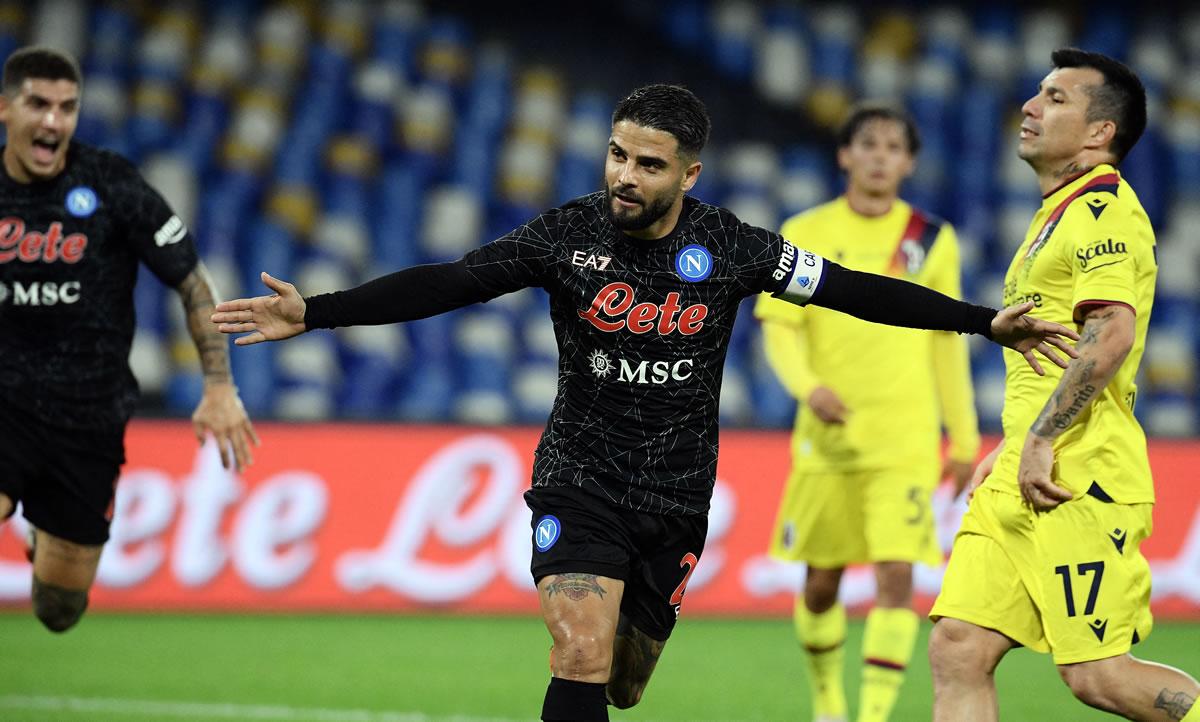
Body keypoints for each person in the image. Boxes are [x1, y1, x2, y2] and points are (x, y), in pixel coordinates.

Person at [213, 84, 1076, 722]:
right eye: (618, 156)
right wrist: (319, 313)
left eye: (648, 164)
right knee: (579, 654)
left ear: (688, 173)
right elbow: (453, 281)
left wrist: (979, 324)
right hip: (579, 476)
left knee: (623, 683)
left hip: (675, 496)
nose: (625, 176)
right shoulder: (568, 234)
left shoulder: (733, 246)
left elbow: (855, 289)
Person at [928, 49, 1200, 722]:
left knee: (1097, 677)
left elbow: (1109, 335)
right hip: (1022, 466)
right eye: (1036, 94)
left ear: (1098, 133)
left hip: (1076, 474)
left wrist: (1044, 438)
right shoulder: (1054, 214)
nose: (1029, 105)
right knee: (958, 646)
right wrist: (1014, 441)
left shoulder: (1103, 213)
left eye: (1054, 98)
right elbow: (1049, 357)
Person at [0, 47, 257, 633]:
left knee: (59, 609)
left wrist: (218, 385)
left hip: (87, 415)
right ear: (5, 109)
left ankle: (49, 537)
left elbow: (192, 283)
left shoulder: (112, 185)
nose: (52, 121)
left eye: (67, 108)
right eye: (38, 104)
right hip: (4, 402)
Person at [755, 103, 978, 722]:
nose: (880, 156)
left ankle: (872, 716)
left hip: (904, 437)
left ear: (908, 163)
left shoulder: (932, 239)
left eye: (893, 147)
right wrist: (807, 388)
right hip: (828, 437)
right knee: (821, 582)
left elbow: (945, 341)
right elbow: (778, 326)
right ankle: (829, 700)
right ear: (845, 156)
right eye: (868, 144)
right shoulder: (806, 229)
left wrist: (962, 439)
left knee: (896, 578)